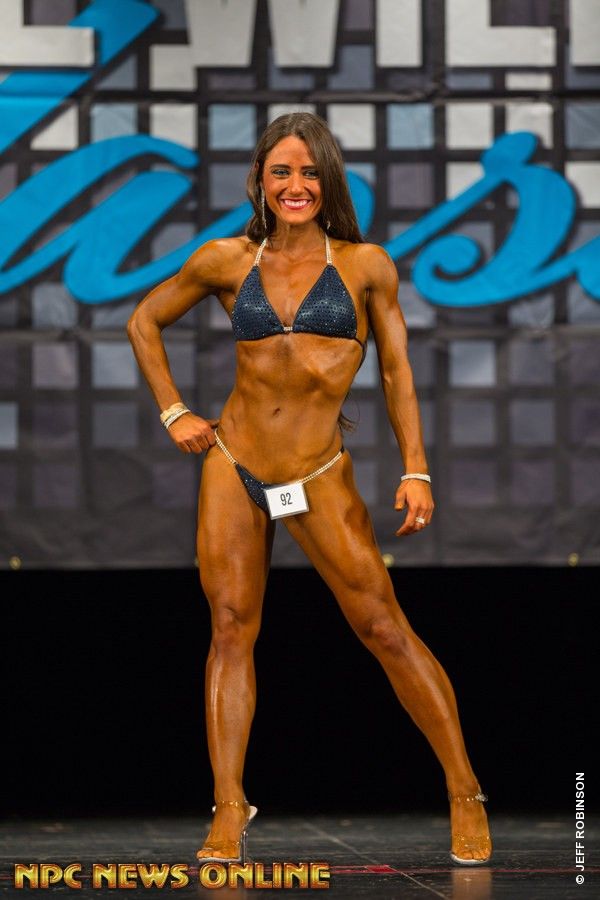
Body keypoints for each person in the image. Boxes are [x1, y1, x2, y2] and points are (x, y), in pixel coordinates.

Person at [127, 112, 492, 867]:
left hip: (318, 473)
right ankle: (229, 807)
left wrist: (416, 469)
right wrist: (173, 411)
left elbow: (396, 371)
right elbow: (143, 321)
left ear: (329, 181)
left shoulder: (366, 266)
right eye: (282, 172)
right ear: (260, 180)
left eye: (310, 172)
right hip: (234, 464)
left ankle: (465, 792)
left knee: (384, 628)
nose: (296, 185)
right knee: (230, 628)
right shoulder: (225, 259)